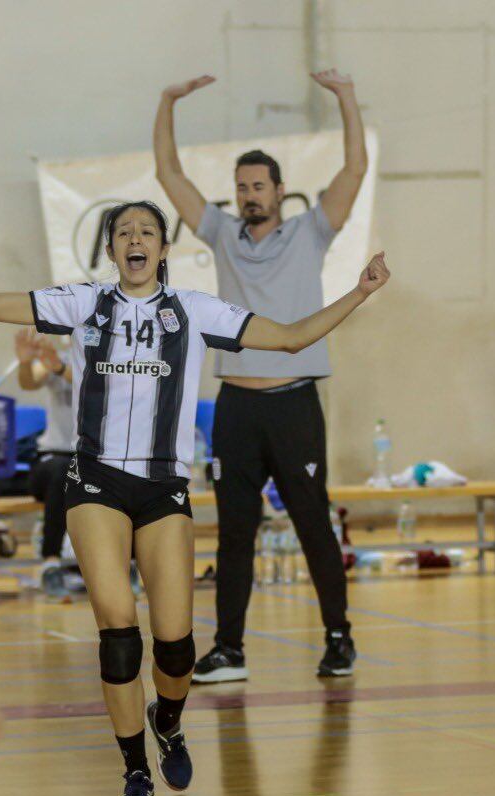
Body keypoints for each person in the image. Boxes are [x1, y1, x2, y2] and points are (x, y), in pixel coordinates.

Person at [0, 201, 389, 796]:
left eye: (146, 231)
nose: (135, 239)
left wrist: (359, 293)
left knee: (175, 645)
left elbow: (289, 340)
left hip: (163, 488)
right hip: (95, 480)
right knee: (119, 633)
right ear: (110, 251)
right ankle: (135, 774)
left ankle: (170, 723)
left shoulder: (193, 310)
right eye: (123, 231)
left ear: (162, 251)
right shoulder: (83, 303)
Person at [154, 68, 368, 682]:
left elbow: (353, 173)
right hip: (237, 410)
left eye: (259, 186)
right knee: (234, 534)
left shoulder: (310, 232)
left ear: (279, 191)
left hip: (294, 405)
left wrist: (345, 97)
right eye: (242, 186)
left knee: (312, 524)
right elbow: (171, 175)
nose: (250, 194)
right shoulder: (222, 235)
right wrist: (168, 100)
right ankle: (230, 650)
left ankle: (338, 638)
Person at [15, 327, 80, 598]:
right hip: (51, 458)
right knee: (62, 471)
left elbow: (88, 380)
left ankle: (127, 563)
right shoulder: (58, 358)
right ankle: (50, 563)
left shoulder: (108, 363)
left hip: (88, 460)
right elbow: (29, 382)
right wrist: (25, 362)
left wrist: (59, 366)